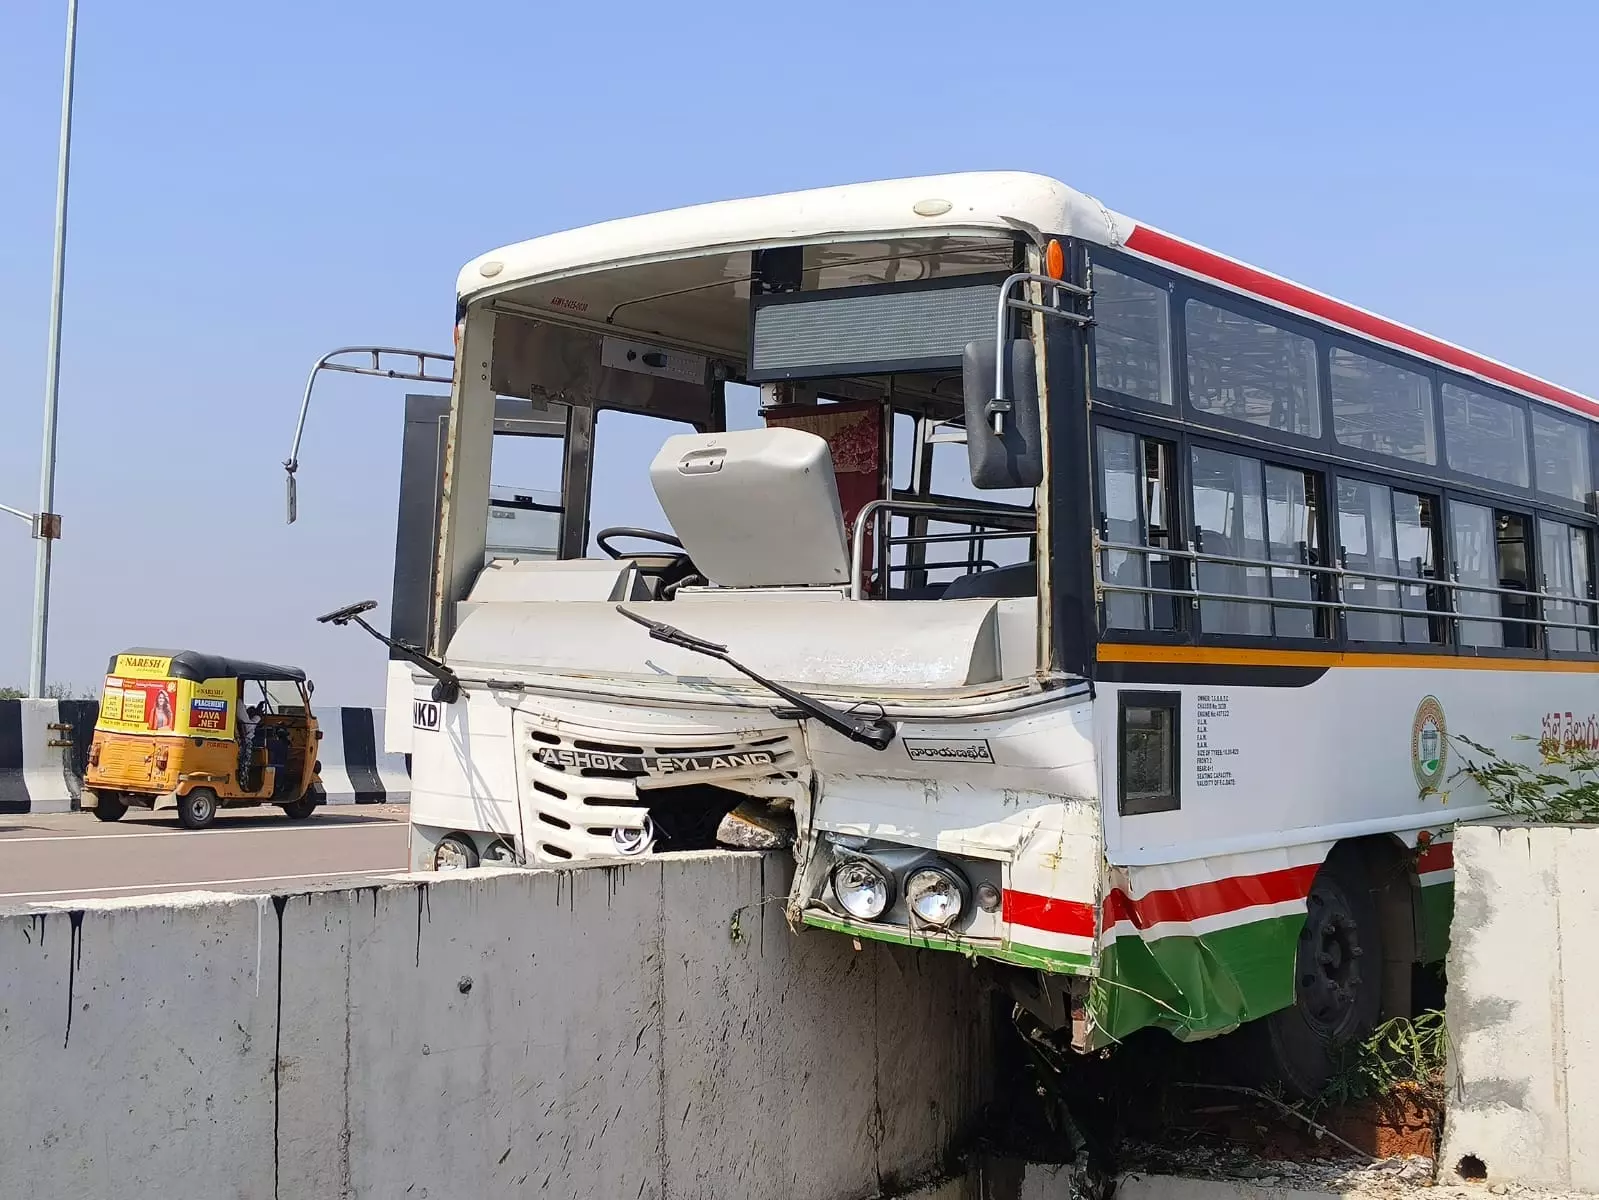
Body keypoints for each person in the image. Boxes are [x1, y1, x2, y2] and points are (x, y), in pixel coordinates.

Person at [236, 695, 261, 790]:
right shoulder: (238, 703)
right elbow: (248, 726)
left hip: (241, 738)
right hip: (244, 739)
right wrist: (258, 716)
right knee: (276, 745)